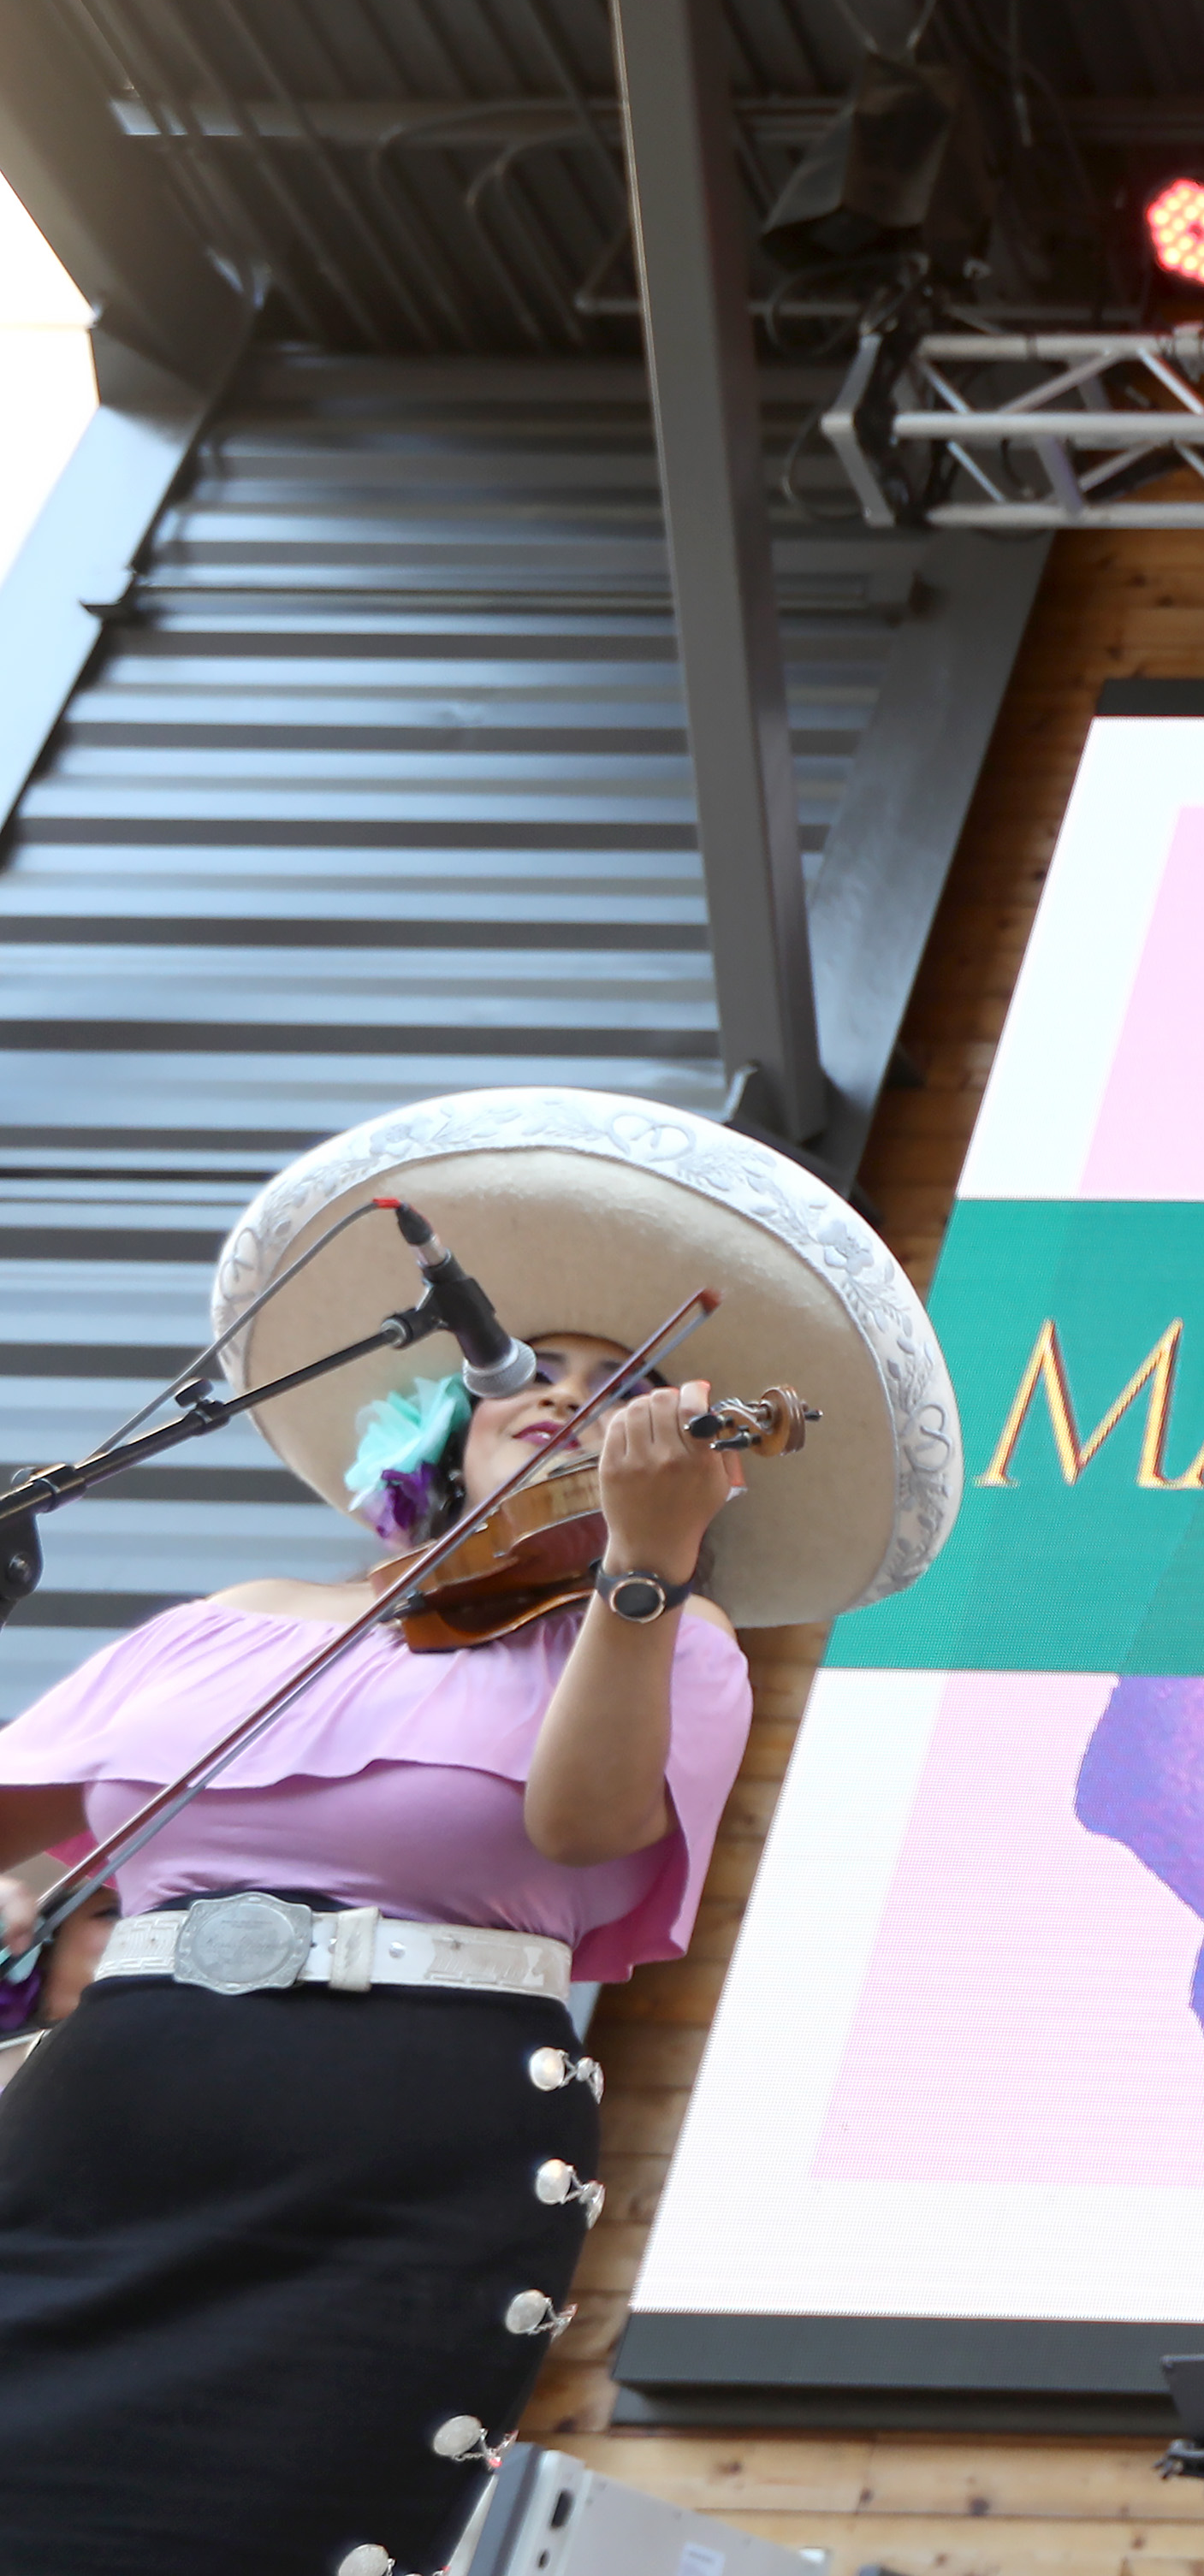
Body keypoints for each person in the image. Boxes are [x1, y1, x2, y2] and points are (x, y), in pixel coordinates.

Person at [0, 1087, 960, 2576]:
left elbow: (579, 1829)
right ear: (441, 1416)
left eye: (620, 1385)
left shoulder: (666, 1638)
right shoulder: (229, 1623)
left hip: (391, 2157)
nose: (564, 1389)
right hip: (111, 2128)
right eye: (531, 1365)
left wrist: (644, 1562)